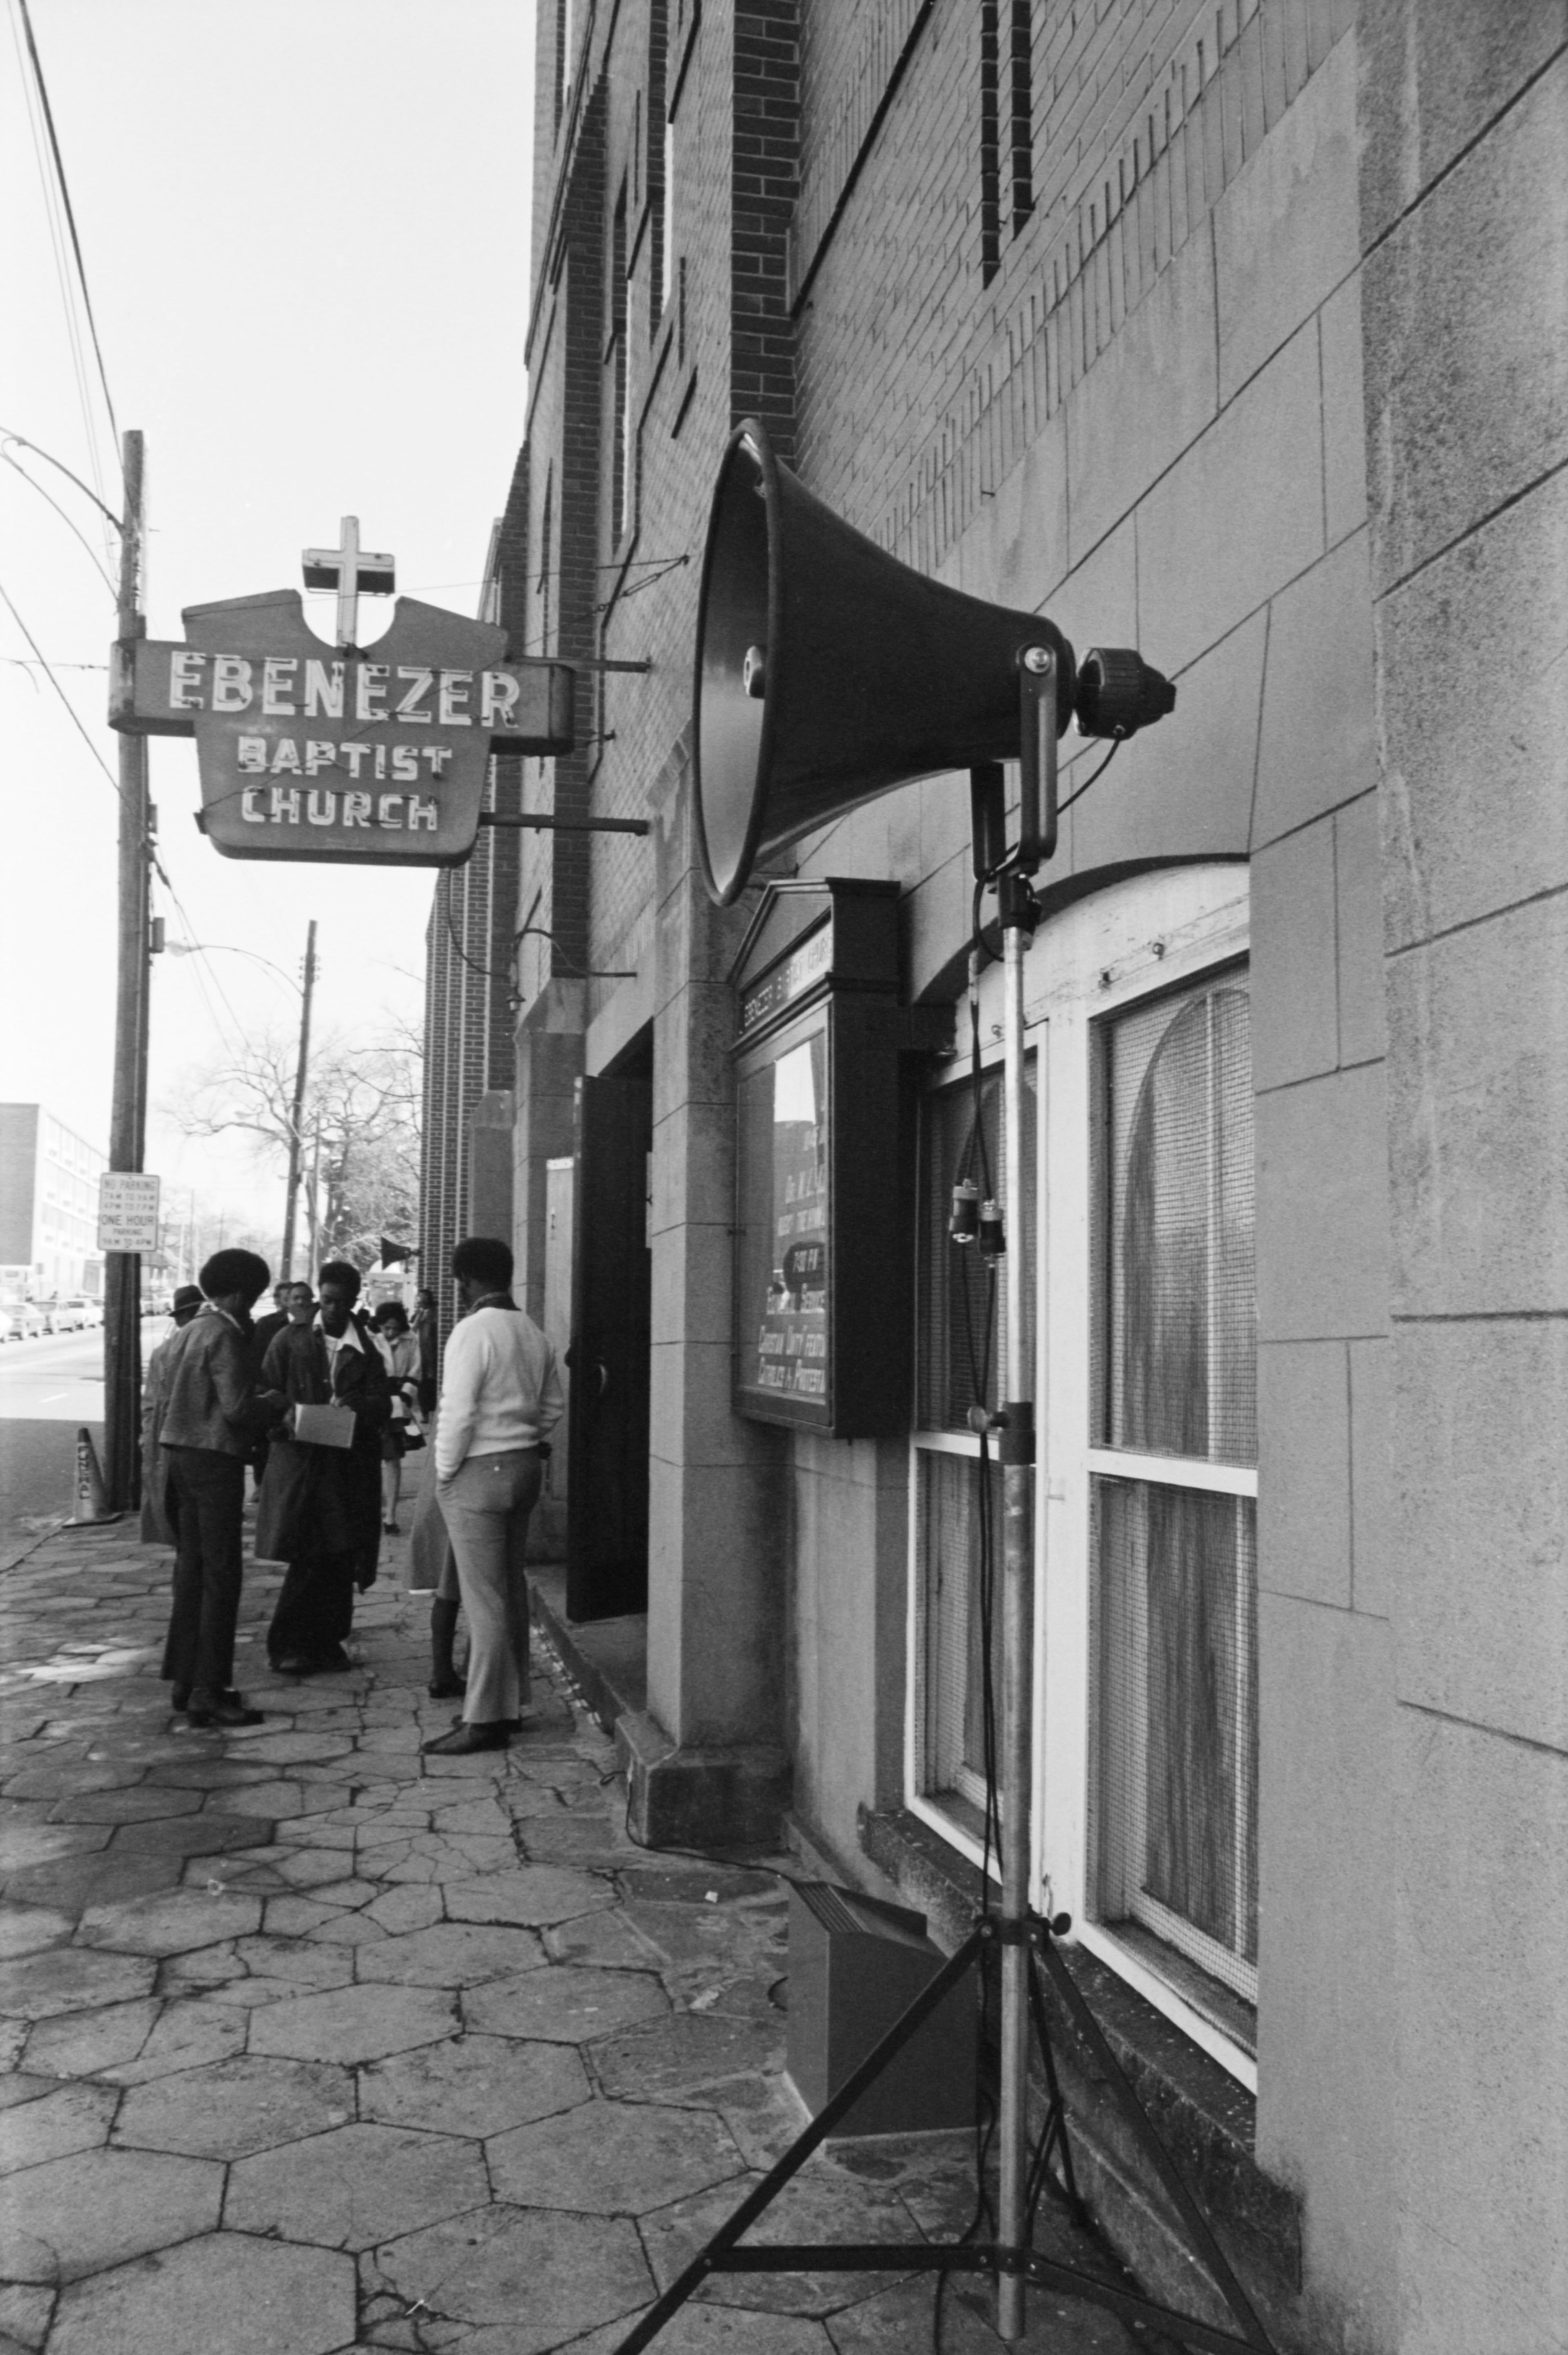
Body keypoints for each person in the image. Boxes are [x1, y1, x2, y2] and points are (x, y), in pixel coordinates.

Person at [423, 1236, 563, 1755]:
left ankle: (484, 1718)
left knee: (484, 1600)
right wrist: (525, 1433)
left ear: (466, 1281)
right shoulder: (533, 1332)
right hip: (524, 1466)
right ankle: (512, 1704)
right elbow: (553, 1405)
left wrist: (444, 1471)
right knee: (508, 1588)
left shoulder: (471, 1331)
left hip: (477, 1470)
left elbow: (457, 1411)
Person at [157, 1248, 280, 1726]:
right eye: (251, 1299)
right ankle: (210, 1688)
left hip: (179, 1460)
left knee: (191, 1573)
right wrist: (273, 1403)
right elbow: (237, 1409)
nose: (251, 1308)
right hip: (214, 1462)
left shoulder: (186, 1332)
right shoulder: (224, 1335)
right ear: (236, 1293)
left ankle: (186, 1680)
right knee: (222, 1575)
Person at [255, 1260, 390, 1675]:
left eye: (343, 1303)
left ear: (355, 1301)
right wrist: (286, 1417)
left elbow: (383, 1403)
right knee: (307, 1554)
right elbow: (263, 1390)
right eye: (327, 1300)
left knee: (339, 1554)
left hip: (347, 1468)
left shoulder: (367, 1349)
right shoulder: (289, 1340)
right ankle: (287, 1645)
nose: (333, 1310)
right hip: (301, 1463)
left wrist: (358, 1406)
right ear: (318, 1296)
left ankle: (329, 1642)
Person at [140, 1285, 203, 1546]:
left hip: (175, 1447)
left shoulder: (168, 1352)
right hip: (186, 1448)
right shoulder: (168, 1353)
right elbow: (150, 1406)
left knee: (186, 1531)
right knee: (190, 1529)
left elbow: (149, 1407)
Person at [370, 1300, 421, 1533]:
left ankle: (390, 1516)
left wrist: (406, 1397)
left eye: (394, 1327)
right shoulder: (369, 1339)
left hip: (398, 1403)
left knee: (393, 1459)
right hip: (373, 1403)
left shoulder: (412, 1341)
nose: (390, 1332)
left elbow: (416, 1370)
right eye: (386, 1328)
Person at [411, 1286, 439, 1418]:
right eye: (419, 1297)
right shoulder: (419, 1314)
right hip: (421, 1353)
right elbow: (413, 1331)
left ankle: (431, 1410)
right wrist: (419, 1316)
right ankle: (425, 1412)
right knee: (422, 1383)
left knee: (431, 1381)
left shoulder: (435, 1313)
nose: (420, 1300)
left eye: (423, 1297)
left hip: (432, 1354)